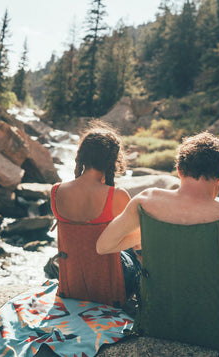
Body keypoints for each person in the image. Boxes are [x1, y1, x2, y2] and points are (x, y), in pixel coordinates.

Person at [96, 131, 219, 318]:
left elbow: (103, 246)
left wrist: (147, 232)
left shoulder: (147, 200)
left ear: (179, 169)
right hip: (214, 324)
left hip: (158, 317)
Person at [50, 121, 140, 308]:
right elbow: (137, 243)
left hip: (71, 287)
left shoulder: (56, 191)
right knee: (135, 248)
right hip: (109, 290)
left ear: (82, 156)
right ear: (112, 161)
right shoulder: (116, 195)